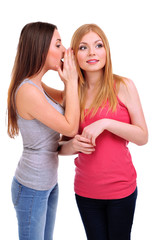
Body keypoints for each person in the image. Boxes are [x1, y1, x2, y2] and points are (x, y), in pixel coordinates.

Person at [58, 24, 148, 240]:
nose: (92, 52)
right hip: (86, 192)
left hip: (121, 189)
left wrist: (106, 123)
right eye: (83, 47)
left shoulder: (124, 86)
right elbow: (60, 147)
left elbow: (143, 136)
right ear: (73, 56)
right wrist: (73, 145)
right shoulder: (71, 94)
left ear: (106, 51)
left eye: (98, 45)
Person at [7, 21, 79, 240]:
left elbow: (67, 102)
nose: (64, 49)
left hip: (48, 183)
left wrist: (68, 81)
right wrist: (72, 80)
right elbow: (70, 126)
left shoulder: (38, 86)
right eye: (58, 44)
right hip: (32, 188)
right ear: (40, 48)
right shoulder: (28, 91)